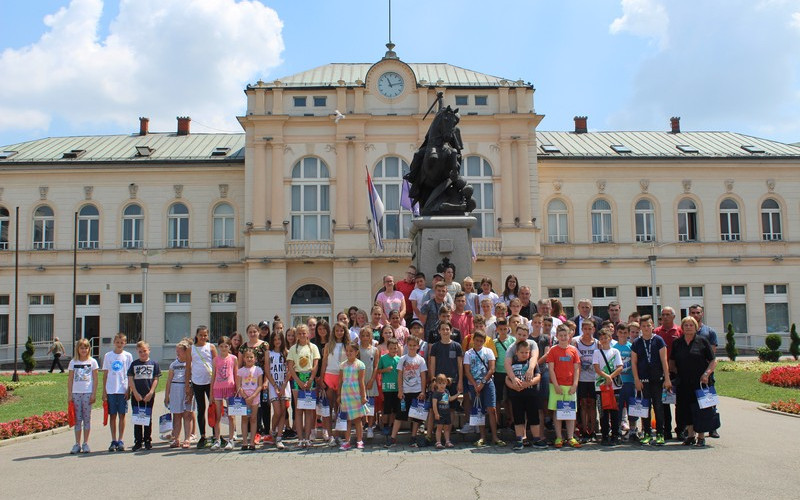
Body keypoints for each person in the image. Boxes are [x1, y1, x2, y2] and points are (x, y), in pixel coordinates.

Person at [670, 316, 717, 448]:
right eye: (686, 325)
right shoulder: (677, 343)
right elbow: (672, 360)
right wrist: (674, 373)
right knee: (685, 409)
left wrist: (706, 374)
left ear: (696, 327)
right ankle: (691, 435)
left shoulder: (702, 341)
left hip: (700, 382)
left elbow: (713, 361)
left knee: (700, 409)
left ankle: (701, 437)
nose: (688, 327)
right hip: (683, 382)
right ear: (682, 327)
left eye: (691, 325)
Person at [630, 315, 671, 446]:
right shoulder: (636, 342)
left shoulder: (658, 340)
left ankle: (660, 433)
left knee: (658, 406)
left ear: (652, 325)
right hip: (643, 379)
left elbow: (664, 361)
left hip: (658, 379)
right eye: (643, 326)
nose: (646, 328)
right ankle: (646, 432)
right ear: (640, 327)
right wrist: (636, 379)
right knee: (644, 407)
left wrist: (667, 378)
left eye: (649, 325)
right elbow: (634, 363)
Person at [463, 331, 505, 447]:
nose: (479, 343)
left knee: (491, 409)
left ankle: (495, 436)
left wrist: (482, 382)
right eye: (477, 340)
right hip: (473, 385)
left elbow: (492, 369)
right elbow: (467, 371)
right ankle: (482, 436)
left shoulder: (488, 351)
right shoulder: (468, 353)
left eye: (481, 341)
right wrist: (475, 384)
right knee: (479, 410)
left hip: (487, 383)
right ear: (473, 340)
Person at [388, 336, 427, 447]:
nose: (412, 347)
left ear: (418, 346)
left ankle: (413, 437)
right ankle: (393, 438)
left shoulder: (421, 360)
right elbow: (399, 375)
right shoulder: (403, 359)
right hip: (405, 392)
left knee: (415, 416)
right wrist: (400, 390)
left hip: (417, 391)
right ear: (406, 346)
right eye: (410, 345)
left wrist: (423, 391)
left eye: (414, 345)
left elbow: (423, 376)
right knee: (400, 415)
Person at [547, 325, 581, 448]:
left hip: (570, 386)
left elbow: (577, 369)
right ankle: (559, 437)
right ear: (557, 336)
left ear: (569, 336)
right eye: (560, 335)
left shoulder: (573, 350)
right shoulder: (553, 350)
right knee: (558, 412)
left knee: (570, 412)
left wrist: (575, 384)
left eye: (565, 335)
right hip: (557, 386)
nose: (563, 337)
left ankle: (570, 437)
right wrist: (556, 385)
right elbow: (551, 369)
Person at [287, 324, 321, 448]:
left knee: (308, 409)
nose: (302, 335)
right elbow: (290, 366)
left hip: (309, 379)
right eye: (300, 333)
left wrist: (311, 379)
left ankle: (307, 438)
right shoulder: (292, 349)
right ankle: (300, 438)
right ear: (297, 335)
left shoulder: (313, 347)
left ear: (308, 334)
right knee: (298, 409)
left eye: (304, 333)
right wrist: (298, 381)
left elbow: (316, 364)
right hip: (297, 379)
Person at [506, 341, 545, 450]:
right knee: (518, 418)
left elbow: (538, 377)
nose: (524, 354)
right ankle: (519, 439)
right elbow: (507, 379)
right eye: (521, 352)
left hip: (531, 395)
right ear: (516, 353)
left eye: (526, 352)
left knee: (534, 417)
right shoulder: (512, 364)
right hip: (516, 396)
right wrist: (513, 385)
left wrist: (528, 383)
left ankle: (536, 439)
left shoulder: (532, 365)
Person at [186, 325, 217, 449]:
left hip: (210, 381)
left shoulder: (211, 347)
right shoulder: (191, 349)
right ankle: (203, 436)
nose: (203, 337)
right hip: (197, 382)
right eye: (201, 335)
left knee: (213, 407)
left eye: (205, 335)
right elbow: (188, 367)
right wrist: (187, 385)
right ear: (197, 335)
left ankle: (216, 434)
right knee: (201, 409)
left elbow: (216, 364)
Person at [102, 332, 133, 452]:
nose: (119, 344)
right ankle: (113, 439)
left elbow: (130, 374)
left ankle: (121, 439)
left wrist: (128, 389)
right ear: (114, 342)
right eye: (118, 342)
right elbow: (105, 374)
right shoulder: (108, 356)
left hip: (122, 389)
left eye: (122, 342)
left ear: (125, 343)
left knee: (122, 415)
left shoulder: (127, 356)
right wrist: (104, 391)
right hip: (111, 389)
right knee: (112, 415)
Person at [654, 306, 682, 440]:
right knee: (663, 402)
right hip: (661, 372)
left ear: (673, 317)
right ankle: (666, 430)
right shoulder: (656, 332)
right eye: (663, 315)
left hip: (676, 371)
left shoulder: (679, 331)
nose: (665, 317)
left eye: (668, 314)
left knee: (679, 402)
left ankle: (680, 429)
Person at [128, 340, 160, 451]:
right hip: (137, 395)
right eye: (140, 351)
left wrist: (151, 392)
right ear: (137, 352)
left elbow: (156, 379)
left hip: (148, 395)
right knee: (137, 418)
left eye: (144, 351)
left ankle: (147, 440)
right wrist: (135, 392)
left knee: (147, 418)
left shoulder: (153, 364)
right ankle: (138, 441)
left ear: (149, 350)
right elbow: (130, 379)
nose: (143, 353)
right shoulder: (134, 364)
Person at [320, 321, 349, 446]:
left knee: (339, 408)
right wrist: (321, 379)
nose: (339, 333)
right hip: (329, 376)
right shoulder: (328, 345)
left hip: (342, 376)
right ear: (333, 332)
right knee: (329, 408)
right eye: (337, 330)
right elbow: (324, 363)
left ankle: (338, 434)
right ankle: (330, 435)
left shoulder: (347, 345)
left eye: (341, 330)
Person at [67, 338, 98, 454]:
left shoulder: (92, 362)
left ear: (89, 349)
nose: (84, 350)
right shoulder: (73, 362)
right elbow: (70, 379)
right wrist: (69, 394)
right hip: (76, 393)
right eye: (81, 348)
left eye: (86, 347)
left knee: (87, 418)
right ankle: (77, 443)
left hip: (87, 393)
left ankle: (85, 443)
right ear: (78, 349)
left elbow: (95, 379)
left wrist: (93, 393)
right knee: (77, 419)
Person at [593, 328, 623, 446]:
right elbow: (596, 368)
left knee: (615, 411)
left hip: (614, 386)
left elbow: (620, 367)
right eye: (601, 338)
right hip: (601, 386)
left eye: (606, 338)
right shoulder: (596, 353)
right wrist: (606, 377)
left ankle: (615, 434)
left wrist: (610, 377)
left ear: (610, 338)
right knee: (603, 412)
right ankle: (605, 435)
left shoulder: (615, 351)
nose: (604, 340)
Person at [239, 323, 269, 445]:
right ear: (247, 333)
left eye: (255, 331)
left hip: (261, 378)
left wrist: (266, 380)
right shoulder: (243, 347)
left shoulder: (264, 345)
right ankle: (254, 434)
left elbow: (267, 364)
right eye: (250, 332)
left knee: (264, 406)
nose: (253, 334)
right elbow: (240, 365)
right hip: (247, 382)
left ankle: (266, 432)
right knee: (249, 412)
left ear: (258, 332)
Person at [338, 341, 367, 450]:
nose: (349, 353)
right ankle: (347, 441)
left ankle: (360, 440)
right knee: (348, 420)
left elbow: (361, 381)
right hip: (346, 395)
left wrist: (363, 396)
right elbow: (340, 381)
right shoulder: (343, 365)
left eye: (351, 351)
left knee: (357, 419)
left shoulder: (360, 365)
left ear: (356, 352)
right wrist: (338, 395)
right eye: (347, 351)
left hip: (356, 395)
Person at [573, 320, 599, 442]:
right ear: (582, 329)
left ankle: (592, 430)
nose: (588, 331)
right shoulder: (576, 342)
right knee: (583, 404)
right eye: (585, 329)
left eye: (590, 329)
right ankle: (584, 431)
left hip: (594, 378)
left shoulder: (597, 343)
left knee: (592, 405)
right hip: (581, 378)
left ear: (594, 330)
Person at [211, 336, 238, 451]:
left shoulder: (233, 358)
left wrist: (238, 389)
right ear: (218, 347)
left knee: (231, 415)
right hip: (218, 388)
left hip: (230, 388)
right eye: (221, 346)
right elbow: (213, 376)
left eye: (226, 346)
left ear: (229, 346)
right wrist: (211, 392)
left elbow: (236, 374)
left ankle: (231, 439)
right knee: (218, 415)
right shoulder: (216, 359)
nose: (223, 348)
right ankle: (217, 439)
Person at [165, 340, 193, 449]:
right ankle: (176, 438)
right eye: (176, 351)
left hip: (186, 389)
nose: (177, 353)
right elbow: (169, 380)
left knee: (187, 414)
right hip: (175, 389)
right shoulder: (174, 364)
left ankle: (187, 438)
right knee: (176, 415)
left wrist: (190, 391)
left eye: (179, 351)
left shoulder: (190, 364)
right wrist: (167, 395)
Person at [265, 330, 290, 450]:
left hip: (284, 384)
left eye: (279, 339)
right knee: (277, 411)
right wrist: (275, 386)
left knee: (283, 411)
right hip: (273, 384)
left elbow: (290, 370)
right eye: (274, 340)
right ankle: (272, 430)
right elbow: (267, 371)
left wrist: (284, 385)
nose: (277, 342)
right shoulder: (268, 353)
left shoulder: (286, 352)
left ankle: (279, 437)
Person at [429, 321, 463, 405]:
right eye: (442, 329)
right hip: (439, 382)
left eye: (447, 329)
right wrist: (433, 380)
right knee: (436, 407)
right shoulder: (435, 347)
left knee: (451, 408)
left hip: (453, 381)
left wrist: (460, 381)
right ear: (439, 331)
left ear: (451, 331)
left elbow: (460, 365)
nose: (445, 331)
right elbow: (432, 364)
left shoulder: (457, 346)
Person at [236, 347, 263, 450]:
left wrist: (252, 396)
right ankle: (244, 442)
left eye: (251, 357)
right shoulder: (240, 371)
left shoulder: (258, 370)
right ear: (244, 358)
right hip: (244, 398)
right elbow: (239, 386)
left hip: (255, 397)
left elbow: (260, 385)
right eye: (247, 357)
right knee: (244, 419)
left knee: (253, 418)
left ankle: (252, 442)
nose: (249, 359)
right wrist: (245, 397)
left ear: (255, 358)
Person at [613, 323, 637, 440]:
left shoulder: (631, 347)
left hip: (630, 381)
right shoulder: (614, 347)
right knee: (618, 407)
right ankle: (617, 430)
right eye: (620, 332)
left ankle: (633, 431)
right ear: (617, 333)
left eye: (625, 333)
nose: (622, 335)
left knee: (632, 406)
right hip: (617, 383)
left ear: (628, 334)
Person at [359, 327, 380, 435]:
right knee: (361, 404)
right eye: (363, 335)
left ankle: (370, 427)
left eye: (368, 335)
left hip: (371, 380)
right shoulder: (357, 349)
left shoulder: (375, 350)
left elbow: (376, 366)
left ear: (371, 337)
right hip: (360, 380)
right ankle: (363, 425)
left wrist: (372, 380)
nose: (365, 338)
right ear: (360, 337)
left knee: (371, 404)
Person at [378, 337, 401, 436]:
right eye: (391, 348)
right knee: (386, 409)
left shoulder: (399, 359)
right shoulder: (383, 358)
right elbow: (378, 370)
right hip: (387, 388)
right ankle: (385, 425)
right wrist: (385, 370)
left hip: (397, 388)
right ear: (388, 348)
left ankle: (392, 426)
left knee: (395, 409)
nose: (393, 350)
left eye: (395, 348)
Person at [431, 373, 454, 448]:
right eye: (440, 383)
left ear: (446, 383)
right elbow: (434, 405)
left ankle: (447, 441)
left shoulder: (447, 391)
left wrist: (458, 394)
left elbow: (450, 399)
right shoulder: (436, 393)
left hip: (446, 413)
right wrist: (436, 413)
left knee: (447, 428)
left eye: (444, 383)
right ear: (436, 383)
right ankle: (438, 442)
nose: (442, 385)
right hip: (439, 413)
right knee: (439, 428)